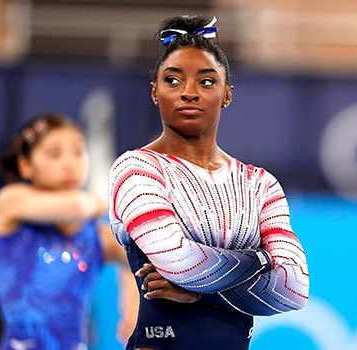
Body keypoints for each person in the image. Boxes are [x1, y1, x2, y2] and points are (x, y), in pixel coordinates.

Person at [108, 14, 310, 350]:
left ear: (227, 93)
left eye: (205, 81)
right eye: (173, 81)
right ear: (155, 92)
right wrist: (260, 260)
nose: (189, 92)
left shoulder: (261, 185)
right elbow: (178, 261)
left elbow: (294, 290)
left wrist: (198, 290)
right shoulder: (136, 169)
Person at [0, 113, 138, 350]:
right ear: (25, 165)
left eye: (78, 152)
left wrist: (133, 305)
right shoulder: (10, 204)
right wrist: (102, 201)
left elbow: (143, 258)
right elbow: (79, 206)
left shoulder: (97, 236)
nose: (69, 163)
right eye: (54, 154)